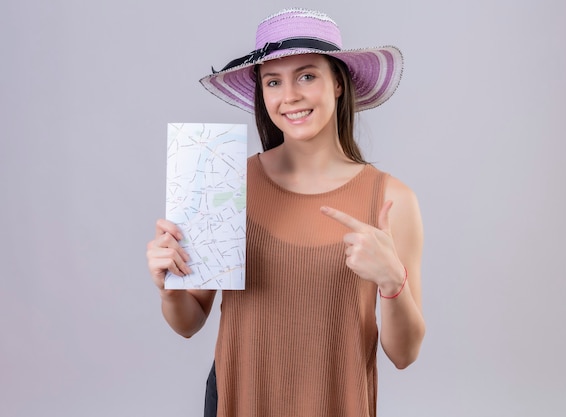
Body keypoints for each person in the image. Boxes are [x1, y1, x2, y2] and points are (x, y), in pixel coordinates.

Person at [146, 8, 426, 417]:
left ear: (338, 85)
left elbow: (404, 355)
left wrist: (391, 280)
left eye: (307, 75)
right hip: (238, 402)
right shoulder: (226, 183)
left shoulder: (392, 200)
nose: (289, 95)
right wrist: (168, 284)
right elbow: (189, 322)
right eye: (273, 81)